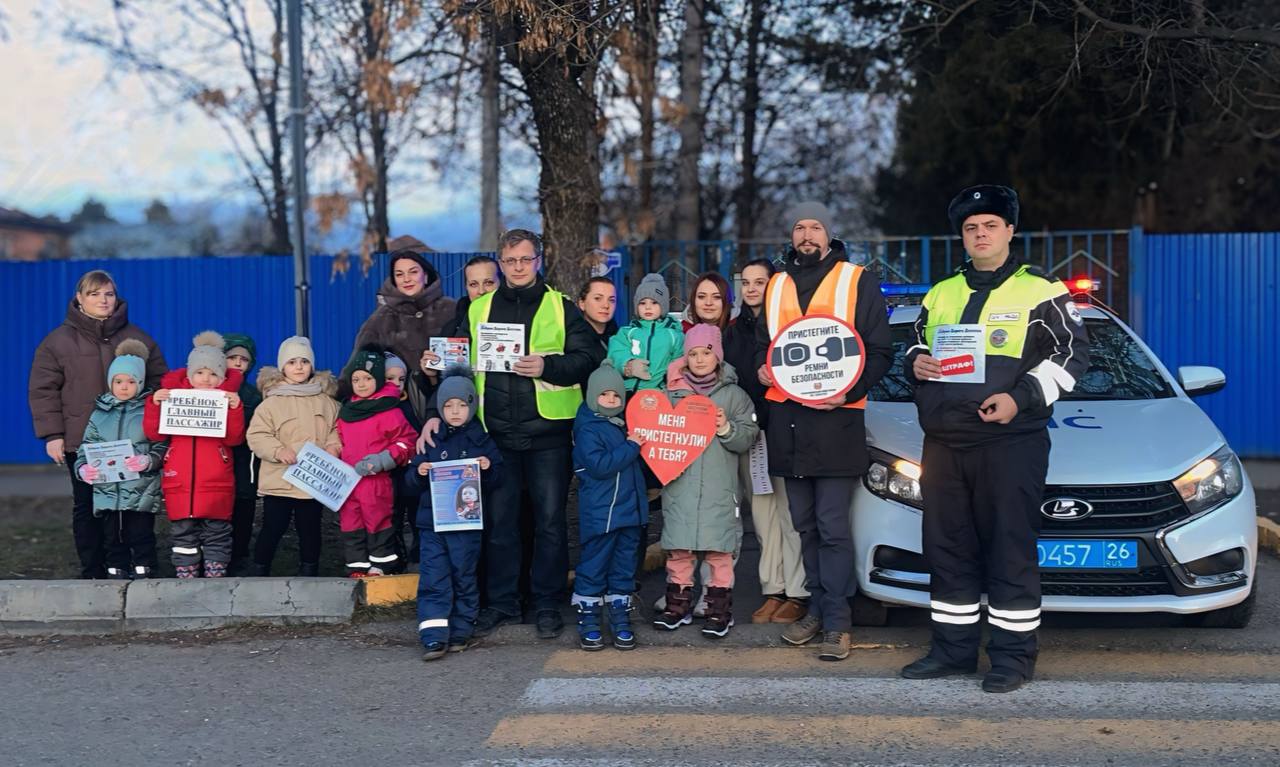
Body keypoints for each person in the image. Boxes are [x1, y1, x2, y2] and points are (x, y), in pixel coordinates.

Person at [900, 185, 1089, 693]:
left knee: (1009, 548)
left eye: (990, 226)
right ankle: (953, 651)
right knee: (948, 548)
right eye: (970, 228)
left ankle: (1012, 658)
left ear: (1009, 231)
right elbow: (918, 347)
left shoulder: (1042, 290)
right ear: (961, 236)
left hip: (1010, 442)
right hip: (944, 442)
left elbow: (1074, 357)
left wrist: (1021, 396)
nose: (980, 235)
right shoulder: (941, 291)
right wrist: (913, 361)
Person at [418, 228, 598, 640]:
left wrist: (547, 367)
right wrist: (433, 380)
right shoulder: (478, 309)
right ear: (500, 263)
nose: (518, 267)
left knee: (550, 523)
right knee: (500, 523)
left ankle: (547, 602)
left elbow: (589, 358)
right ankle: (502, 602)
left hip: (548, 433)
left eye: (525, 259)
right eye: (511, 261)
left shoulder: (561, 306)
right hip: (494, 433)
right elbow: (455, 371)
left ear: (538, 261)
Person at [754, 202, 893, 661]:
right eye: (799, 227)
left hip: (836, 422)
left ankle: (837, 621)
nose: (806, 234)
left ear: (829, 234)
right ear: (792, 236)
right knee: (805, 528)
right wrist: (762, 372)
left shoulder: (857, 280)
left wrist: (849, 388)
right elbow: (762, 347)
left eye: (815, 226)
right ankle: (817, 607)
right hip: (789, 426)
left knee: (833, 528)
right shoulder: (775, 285)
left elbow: (879, 351)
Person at [29, 269, 167, 579]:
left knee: (134, 506)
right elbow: (43, 390)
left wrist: (153, 414)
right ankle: (94, 570)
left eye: (108, 294)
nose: (103, 300)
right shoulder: (57, 342)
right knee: (88, 506)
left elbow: (159, 382)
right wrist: (53, 435)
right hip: (83, 440)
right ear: (79, 298)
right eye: (94, 294)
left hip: (135, 442)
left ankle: (134, 564)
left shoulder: (138, 339)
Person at [652, 324, 759, 638]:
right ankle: (677, 607)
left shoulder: (735, 395)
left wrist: (727, 428)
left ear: (718, 356)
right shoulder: (669, 394)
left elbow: (748, 436)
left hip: (719, 489)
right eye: (693, 354)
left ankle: (718, 611)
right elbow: (654, 428)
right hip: (680, 488)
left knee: (719, 552)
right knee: (679, 550)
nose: (699, 360)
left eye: (706, 352)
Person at [725, 258, 809, 625]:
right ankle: (772, 590)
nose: (752, 288)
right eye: (747, 282)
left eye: (761, 281)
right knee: (762, 517)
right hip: (751, 436)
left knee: (791, 514)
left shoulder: (788, 324)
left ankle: (797, 592)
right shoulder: (732, 333)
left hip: (787, 432)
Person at [407, 367, 502, 660]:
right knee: (434, 578)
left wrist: (488, 469)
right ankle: (433, 636)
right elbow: (409, 483)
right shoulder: (432, 438)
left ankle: (461, 630)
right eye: (449, 406)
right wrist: (420, 473)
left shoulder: (481, 439)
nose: (456, 411)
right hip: (432, 524)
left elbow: (498, 477)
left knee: (464, 576)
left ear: (472, 406)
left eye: (462, 405)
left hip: (466, 525)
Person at [144, 332, 247, 578]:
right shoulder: (172, 397)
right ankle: (185, 570)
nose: (206, 379)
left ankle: (215, 569)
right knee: (182, 529)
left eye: (213, 373)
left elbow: (234, 439)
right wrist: (155, 405)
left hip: (216, 478)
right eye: (200, 372)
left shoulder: (226, 400)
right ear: (190, 374)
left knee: (218, 529)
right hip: (179, 477)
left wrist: (235, 409)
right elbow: (154, 434)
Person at [245, 336, 342, 577]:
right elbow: (257, 435)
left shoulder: (327, 401)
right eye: (292, 362)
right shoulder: (270, 404)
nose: (298, 367)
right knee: (272, 527)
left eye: (304, 361)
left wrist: (334, 445)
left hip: (313, 483)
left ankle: (309, 571)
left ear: (312, 365)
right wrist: (278, 450)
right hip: (280, 481)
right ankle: (259, 570)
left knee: (310, 529)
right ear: (282, 367)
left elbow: (337, 428)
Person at [73, 340, 167, 579]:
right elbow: (86, 446)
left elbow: (162, 445)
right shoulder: (99, 413)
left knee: (140, 532)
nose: (124, 387)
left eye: (131, 381)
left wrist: (149, 460)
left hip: (140, 488)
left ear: (141, 383)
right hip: (107, 489)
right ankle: (116, 569)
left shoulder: (149, 410)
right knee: (112, 534)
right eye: (118, 381)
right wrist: (83, 468)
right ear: (110, 383)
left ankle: (144, 569)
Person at [571, 362, 648, 651]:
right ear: (592, 397)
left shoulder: (621, 425)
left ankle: (619, 615)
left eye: (616, 396)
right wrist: (631, 446)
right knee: (594, 567)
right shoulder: (589, 429)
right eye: (605, 395)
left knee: (623, 568)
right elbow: (601, 466)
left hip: (628, 513)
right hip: (603, 514)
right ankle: (589, 619)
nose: (612, 401)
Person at [337, 348, 418, 577]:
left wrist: (383, 460)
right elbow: (339, 439)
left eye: (368, 378)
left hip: (376, 480)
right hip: (348, 480)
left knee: (378, 521)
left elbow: (407, 441)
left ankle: (381, 566)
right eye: (356, 379)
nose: (361, 384)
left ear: (379, 380)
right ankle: (357, 566)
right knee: (351, 522)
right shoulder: (346, 411)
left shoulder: (388, 411)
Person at [222, 332, 262, 575]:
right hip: (216, 462)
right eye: (232, 357)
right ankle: (215, 558)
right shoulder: (209, 388)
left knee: (243, 512)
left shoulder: (253, 396)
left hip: (244, 462)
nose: (237, 363)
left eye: (243, 359)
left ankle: (239, 558)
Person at [607, 273, 684, 394]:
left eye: (654, 303)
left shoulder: (674, 335)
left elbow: (679, 363)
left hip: (658, 393)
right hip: (627, 391)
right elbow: (616, 352)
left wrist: (669, 384)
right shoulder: (628, 332)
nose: (648, 307)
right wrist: (628, 365)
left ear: (663, 306)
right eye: (642, 303)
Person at [385, 353, 423, 569]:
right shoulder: (379, 405)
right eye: (390, 379)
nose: (397, 385)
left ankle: (419, 555)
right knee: (394, 515)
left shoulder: (412, 402)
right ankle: (396, 556)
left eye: (401, 379)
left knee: (418, 513)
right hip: (389, 469)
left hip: (412, 469)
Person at [440, 255, 501, 339]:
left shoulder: (518, 317)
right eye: (473, 284)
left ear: (502, 283)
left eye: (488, 283)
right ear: (466, 287)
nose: (481, 291)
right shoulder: (451, 329)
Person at [577, 276, 619, 356]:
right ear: (582, 303)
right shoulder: (572, 340)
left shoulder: (622, 338)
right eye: (597, 298)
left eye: (611, 300)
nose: (606, 305)